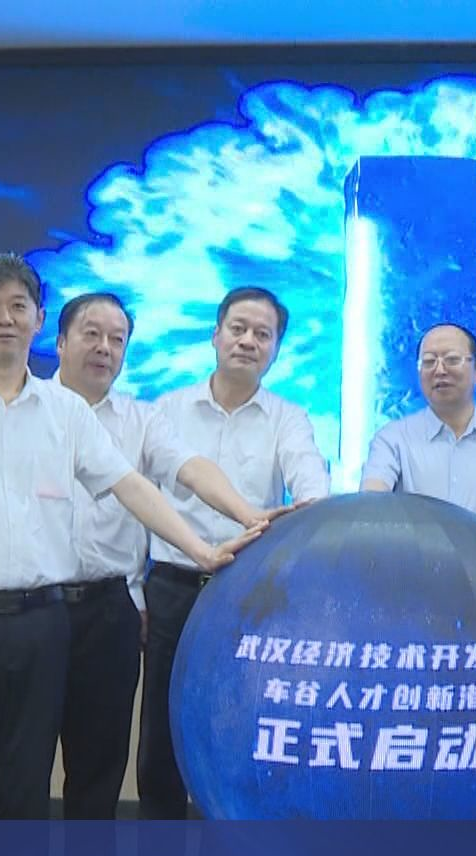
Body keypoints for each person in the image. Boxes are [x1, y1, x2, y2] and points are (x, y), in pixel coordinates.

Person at [0, 254, 263, 821]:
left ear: (38, 319)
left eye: (18, 306)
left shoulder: (66, 412)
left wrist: (200, 550)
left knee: (27, 785)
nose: (5, 318)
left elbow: (129, 485)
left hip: (40, 623)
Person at [49, 291, 284, 820]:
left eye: (117, 339)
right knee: (20, 762)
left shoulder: (141, 419)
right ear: (60, 341)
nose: (104, 348)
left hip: (108, 608)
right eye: (91, 334)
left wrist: (249, 516)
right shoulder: (26, 410)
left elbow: (190, 468)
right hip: (33, 605)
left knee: (98, 769)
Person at [138, 286, 331, 820]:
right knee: (162, 730)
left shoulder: (288, 418)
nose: (248, 341)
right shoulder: (166, 410)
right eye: (238, 329)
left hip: (249, 593)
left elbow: (307, 474)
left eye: (262, 334)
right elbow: (137, 502)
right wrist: (135, 591)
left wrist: (317, 513)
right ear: (215, 335)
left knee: (241, 725)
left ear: (276, 348)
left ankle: (230, 853)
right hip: (174, 585)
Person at [360, 322, 476, 526]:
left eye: (452, 360)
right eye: (429, 362)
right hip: (415, 548)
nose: (439, 370)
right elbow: (371, 502)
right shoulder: (392, 438)